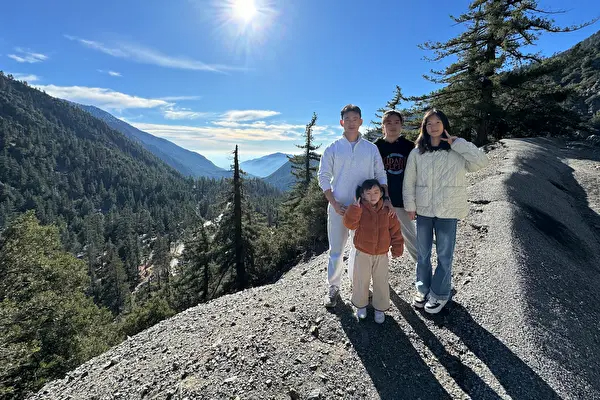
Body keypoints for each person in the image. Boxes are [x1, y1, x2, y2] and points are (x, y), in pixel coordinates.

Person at [403, 109, 489, 314]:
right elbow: (409, 181)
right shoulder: (417, 152)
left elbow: (482, 162)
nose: (433, 127)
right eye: (429, 123)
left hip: (448, 209)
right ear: (424, 127)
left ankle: (439, 293)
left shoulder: (456, 150)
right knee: (423, 254)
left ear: (445, 125)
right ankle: (422, 289)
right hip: (423, 209)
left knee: (444, 255)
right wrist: (410, 206)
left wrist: (458, 143)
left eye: (437, 122)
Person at [318, 104, 392, 308]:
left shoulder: (370, 148)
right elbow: (323, 176)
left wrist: (383, 198)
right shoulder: (332, 148)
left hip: (366, 209)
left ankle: (356, 286)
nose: (351, 122)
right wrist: (333, 203)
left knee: (358, 249)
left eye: (355, 119)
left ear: (361, 121)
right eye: (347, 119)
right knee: (336, 249)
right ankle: (333, 287)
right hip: (338, 207)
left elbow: (380, 173)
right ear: (342, 122)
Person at [343, 179, 404, 323]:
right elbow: (349, 224)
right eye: (368, 193)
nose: (373, 196)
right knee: (361, 280)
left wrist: (397, 247)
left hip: (381, 253)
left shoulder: (387, 210)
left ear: (382, 193)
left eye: (376, 192)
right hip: (363, 252)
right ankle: (361, 305)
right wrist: (354, 208)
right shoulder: (359, 209)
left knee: (381, 281)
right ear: (362, 195)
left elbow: (395, 230)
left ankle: (380, 308)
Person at [374, 110, 418, 262]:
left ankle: (424, 272)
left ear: (401, 125)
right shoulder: (376, 148)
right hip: (380, 202)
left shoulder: (409, 147)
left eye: (396, 122)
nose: (393, 126)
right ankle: (379, 277)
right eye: (388, 122)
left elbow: (417, 174)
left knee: (411, 238)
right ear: (383, 126)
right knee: (379, 241)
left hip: (402, 200)